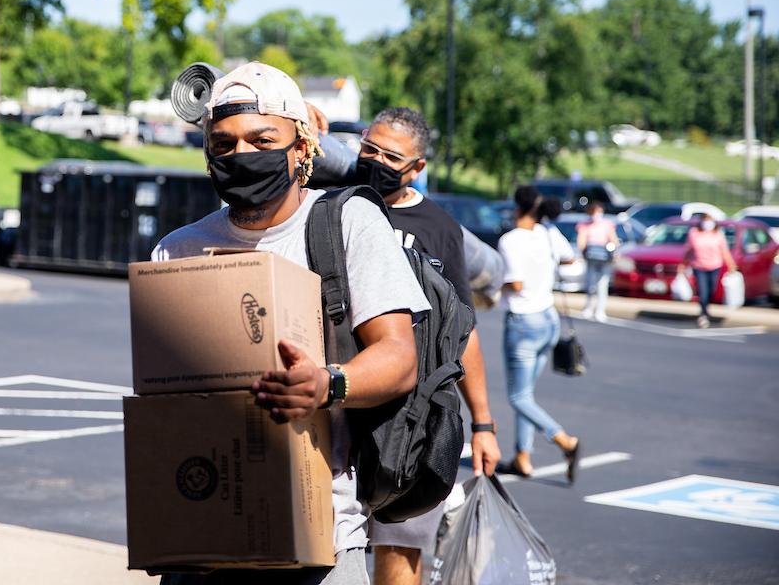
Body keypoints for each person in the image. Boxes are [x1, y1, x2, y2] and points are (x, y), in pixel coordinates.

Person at [152, 61, 429, 584]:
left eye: (262, 140)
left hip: (320, 541)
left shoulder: (349, 223)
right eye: (224, 144)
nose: (242, 155)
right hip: (204, 537)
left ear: (302, 148)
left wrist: (327, 384)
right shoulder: (176, 250)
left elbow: (398, 357)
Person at [353, 107, 502, 585]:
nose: (376, 161)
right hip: (338, 399)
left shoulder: (438, 228)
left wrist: (483, 424)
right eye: (369, 148)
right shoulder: (334, 204)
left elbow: (463, 331)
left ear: (417, 167)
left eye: (390, 157)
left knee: (399, 551)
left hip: (409, 417)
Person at [496, 185, 581, 482]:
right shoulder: (547, 233)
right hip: (548, 318)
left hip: (524, 321)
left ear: (517, 207)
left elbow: (515, 284)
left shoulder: (510, 240)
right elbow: (569, 258)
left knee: (518, 397)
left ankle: (565, 441)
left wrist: (490, 282)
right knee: (527, 394)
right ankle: (523, 457)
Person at [677, 213, 737, 329]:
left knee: (711, 290)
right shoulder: (694, 233)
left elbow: (724, 251)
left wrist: (731, 265)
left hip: (714, 266)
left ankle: (706, 308)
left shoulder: (718, 234)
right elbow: (689, 250)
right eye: (706, 220)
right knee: (703, 291)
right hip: (699, 266)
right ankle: (703, 314)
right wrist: (683, 264)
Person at [577, 201, 618, 322]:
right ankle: (588, 308)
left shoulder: (607, 224)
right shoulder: (585, 225)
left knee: (603, 285)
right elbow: (581, 242)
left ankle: (600, 310)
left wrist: (613, 252)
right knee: (590, 284)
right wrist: (583, 252)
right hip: (591, 258)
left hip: (604, 258)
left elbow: (614, 240)